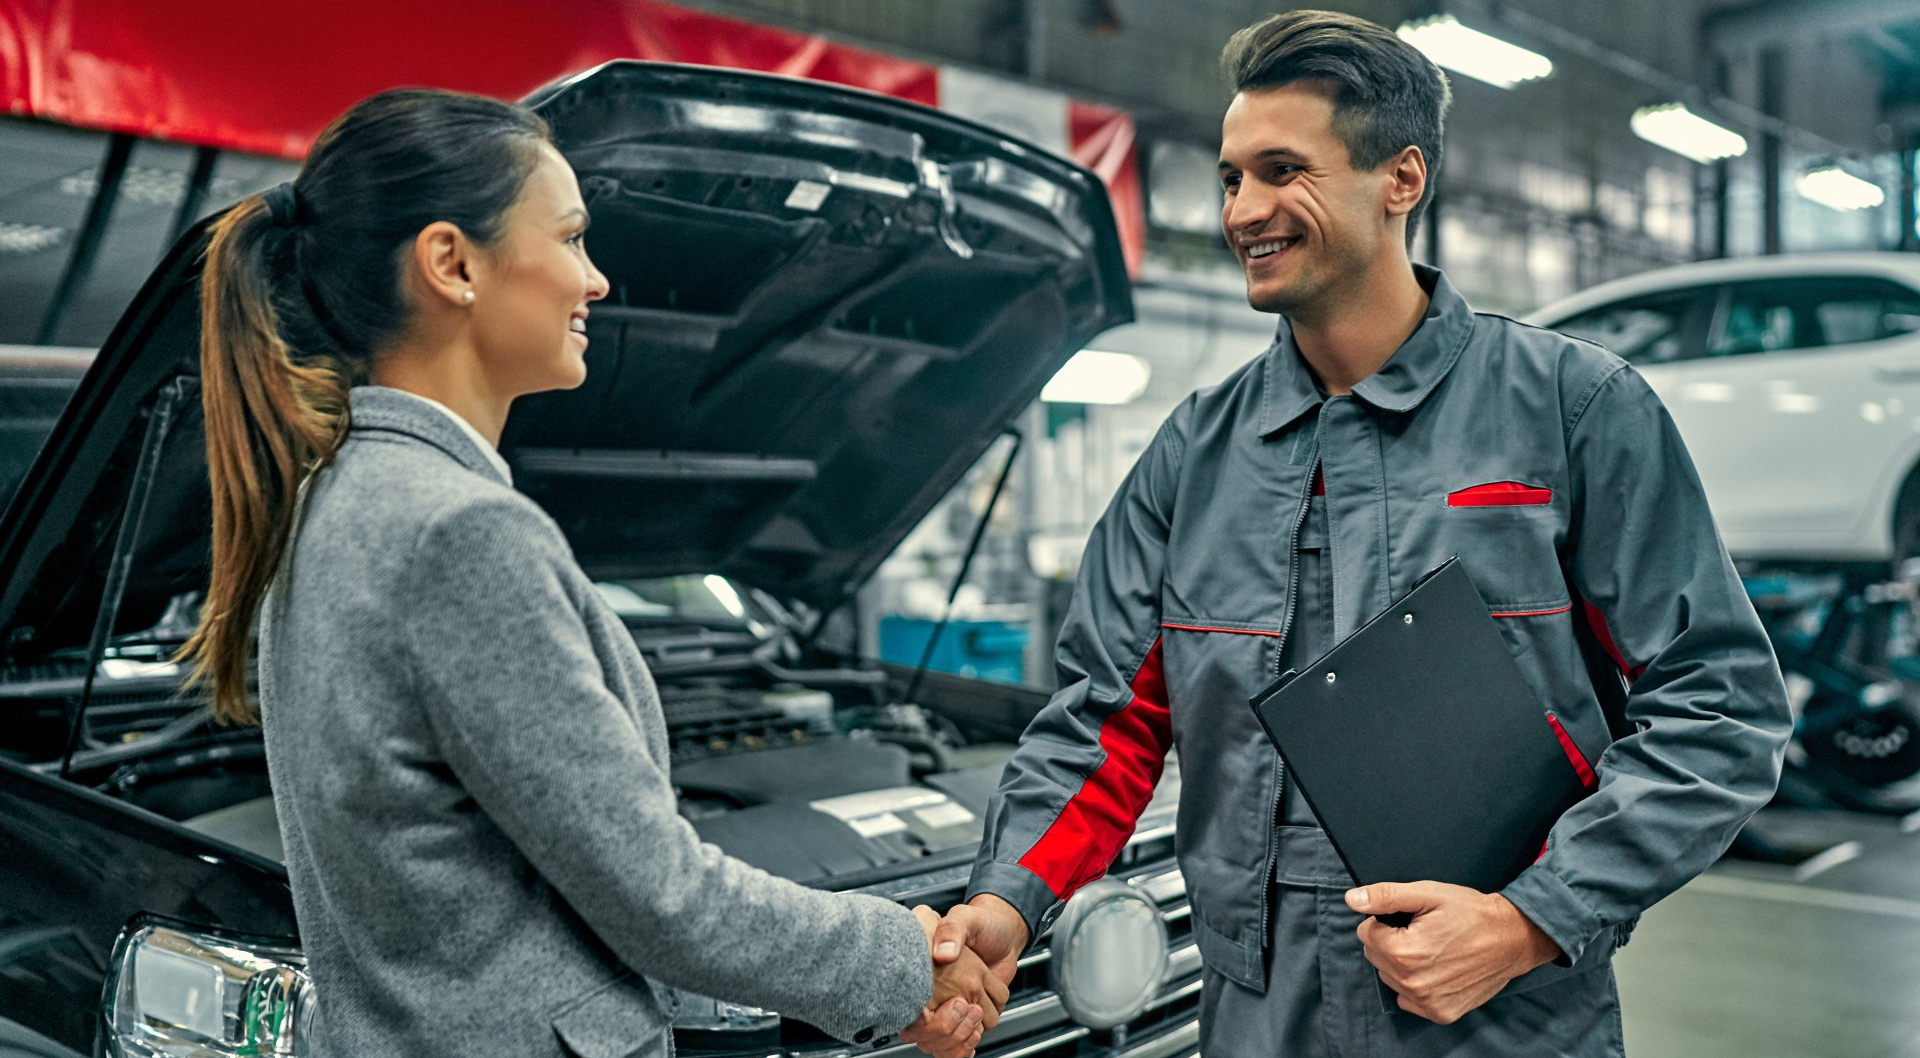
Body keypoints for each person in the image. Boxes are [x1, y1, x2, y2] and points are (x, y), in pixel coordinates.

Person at [909, 10, 1792, 1058]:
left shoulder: (1574, 409)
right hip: (1253, 1017)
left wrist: (1529, 919)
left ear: (1401, 178)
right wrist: (1005, 907)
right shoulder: (1193, 456)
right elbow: (1106, 721)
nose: (1244, 208)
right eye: (1231, 177)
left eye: (1283, 169)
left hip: (1499, 1020)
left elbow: (1719, 709)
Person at [180, 87, 1004, 1058]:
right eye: (571, 238)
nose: (598, 280)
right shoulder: (457, 532)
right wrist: (901, 954)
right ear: (452, 263)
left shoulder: (330, 500)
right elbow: (662, 898)